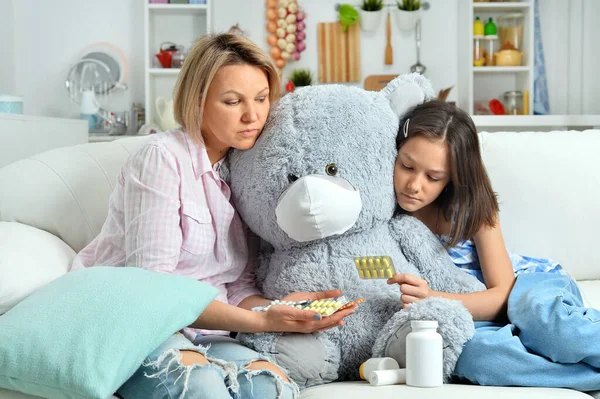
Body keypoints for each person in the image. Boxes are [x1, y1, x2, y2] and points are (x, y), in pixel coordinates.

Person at [71, 33, 355, 399]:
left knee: (269, 386)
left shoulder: (248, 168)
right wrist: (259, 321)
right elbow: (154, 291)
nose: (252, 115)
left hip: (209, 330)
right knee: (202, 387)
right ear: (198, 101)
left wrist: (278, 308)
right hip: (139, 324)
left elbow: (235, 283)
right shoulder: (162, 159)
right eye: (232, 101)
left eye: (261, 98)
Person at [387, 100, 600, 391]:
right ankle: (589, 376)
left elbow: (503, 293)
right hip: (471, 315)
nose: (413, 185)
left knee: (542, 320)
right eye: (406, 166)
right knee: (475, 356)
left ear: (452, 179)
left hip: (528, 288)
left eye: (433, 177)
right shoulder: (382, 210)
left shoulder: (470, 209)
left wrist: (434, 299)